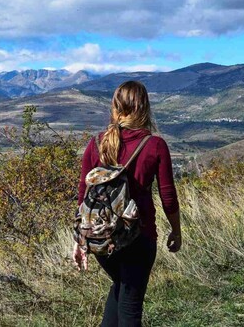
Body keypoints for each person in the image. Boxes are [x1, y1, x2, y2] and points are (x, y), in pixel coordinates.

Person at [72, 80, 181, 327]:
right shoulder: (154, 145)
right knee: (130, 311)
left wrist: (80, 240)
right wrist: (176, 230)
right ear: (144, 107)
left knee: (121, 289)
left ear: (115, 107)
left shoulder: (97, 143)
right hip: (138, 237)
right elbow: (168, 197)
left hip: (102, 239)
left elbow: (83, 195)